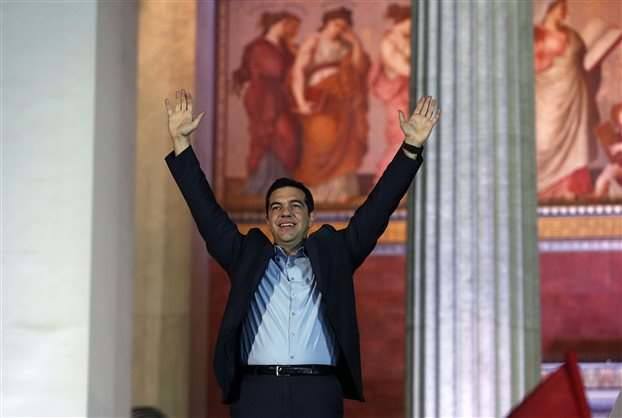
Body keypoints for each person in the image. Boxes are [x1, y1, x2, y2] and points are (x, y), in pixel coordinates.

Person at [164, 90, 440, 418]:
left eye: (296, 206)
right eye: (276, 207)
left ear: (310, 218)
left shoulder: (335, 253)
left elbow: (377, 209)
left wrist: (411, 148)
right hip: (256, 393)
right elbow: (206, 211)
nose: (286, 212)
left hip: (318, 392)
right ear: (268, 219)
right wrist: (181, 143)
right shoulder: (245, 256)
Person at [290, 7, 371, 203]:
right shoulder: (314, 41)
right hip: (320, 97)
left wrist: (356, 43)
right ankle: (316, 194)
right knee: (320, 141)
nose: (339, 30)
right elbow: (298, 71)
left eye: (344, 27)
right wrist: (301, 101)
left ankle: (339, 192)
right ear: (326, 24)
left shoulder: (347, 45)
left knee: (344, 144)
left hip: (343, 101)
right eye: (336, 24)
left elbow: (359, 68)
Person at [534, 0, 599, 201]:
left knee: (576, 145)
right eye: (560, 7)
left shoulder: (573, 35)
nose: (564, 11)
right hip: (547, 97)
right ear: (549, 9)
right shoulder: (535, 35)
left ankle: (570, 191)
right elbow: (532, 67)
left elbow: (584, 60)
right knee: (543, 140)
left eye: (565, 7)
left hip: (575, 98)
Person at [232, 11, 302, 194]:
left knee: (287, 138)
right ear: (276, 25)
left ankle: (282, 181)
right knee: (266, 137)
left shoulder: (284, 47)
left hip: (280, 98)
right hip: (263, 98)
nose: (289, 29)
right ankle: (262, 183)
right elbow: (276, 69)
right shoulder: (259, 47)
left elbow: (297, 70)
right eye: (286, 25)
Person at [369, 4, 412, 182]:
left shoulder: (406, 40)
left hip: (409, 97)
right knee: (402, 139)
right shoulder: (389, 43)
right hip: (398, 100)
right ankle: (385, 184)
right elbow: (406, 69)